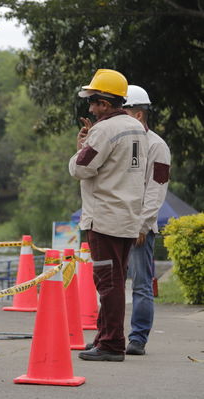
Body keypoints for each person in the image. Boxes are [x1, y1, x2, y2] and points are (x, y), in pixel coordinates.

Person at [69, 69, 148, 362]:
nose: (90, 108)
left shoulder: (104, 130)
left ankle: (112, 343)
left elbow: (81, 168)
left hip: (104, 218)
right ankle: (104, 337)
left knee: (108, 283)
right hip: (127, 216)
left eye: (93, 102)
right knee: (115, 279)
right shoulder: (137, 128)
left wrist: (80, 148)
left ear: (104, 102)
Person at [123, 85, 171, 355]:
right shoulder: (126, 143)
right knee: (113, 284)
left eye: (124, 111)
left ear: (138, 115)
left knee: (141, 284)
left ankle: (138, 338)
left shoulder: (157, 147)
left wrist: (142, 224)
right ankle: (108, 337)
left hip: (140, 227)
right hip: (117, 224)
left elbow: (156, 189)